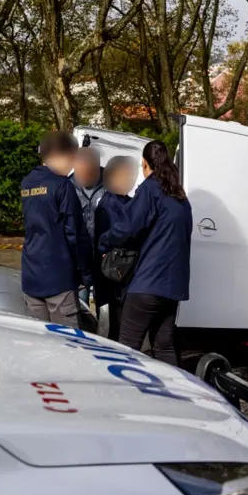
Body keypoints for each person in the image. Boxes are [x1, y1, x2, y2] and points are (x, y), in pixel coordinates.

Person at [98, 140, 192, 365]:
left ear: (145, 164)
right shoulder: (180, 196)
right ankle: (173, 386)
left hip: (149, 283)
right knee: (163, 345)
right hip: (173, 286)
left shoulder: (151, 189)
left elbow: (128, 227)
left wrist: (104, 241)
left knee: (127, 346)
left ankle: (124, 385)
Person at [20, 131, 91, 326]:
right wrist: (85, 272)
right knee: (67, 339)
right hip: (58, 277)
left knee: (39, 337)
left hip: (31, 273)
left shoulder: (27, 183)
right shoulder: (62, 185)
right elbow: (75, 233)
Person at [94, 155, 140, 341]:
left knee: (121, 320)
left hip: (123, 269)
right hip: (116, 269)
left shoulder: (125, 201)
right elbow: (119, 233)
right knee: (117, 321)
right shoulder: (109, 203)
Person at [71, 147, 105, 309]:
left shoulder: (110, 183)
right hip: (80, 258)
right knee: (80, 305)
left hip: (104, 257)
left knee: (105, 307)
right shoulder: (68, 185)